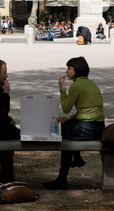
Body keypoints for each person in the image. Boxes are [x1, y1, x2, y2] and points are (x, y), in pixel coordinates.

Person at [43, 56, 105, 190]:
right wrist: (71, 118)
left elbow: (65, 108)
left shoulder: (76, 85)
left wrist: (62, 89)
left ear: (77, 69)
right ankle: (75, 159)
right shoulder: (91, 83)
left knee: (65, 132)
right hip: (99, 128)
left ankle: (62, 177)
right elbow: (86, 110)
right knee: (68, 124)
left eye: (69, 68)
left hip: (87, 129)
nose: (66, 71)